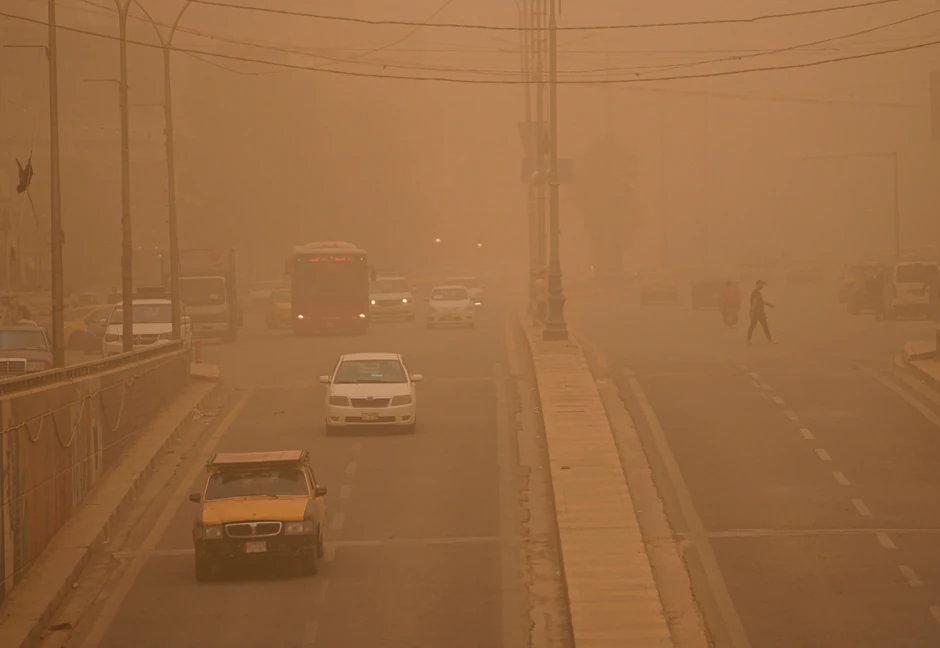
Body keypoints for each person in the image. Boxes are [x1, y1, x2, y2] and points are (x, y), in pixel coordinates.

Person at [747, 279, 775, 344]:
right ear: (757, 284)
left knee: (753, 326)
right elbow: (754, 302)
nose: (762, 286)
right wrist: (752, 311)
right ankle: (770, 340)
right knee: (764, 326)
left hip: (758, 313)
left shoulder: (757, 292)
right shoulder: (755, 292)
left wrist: (769, 304)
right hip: (758, 313)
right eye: (761, 284)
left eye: (762, 285)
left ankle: (748, 340)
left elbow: (761, 301)